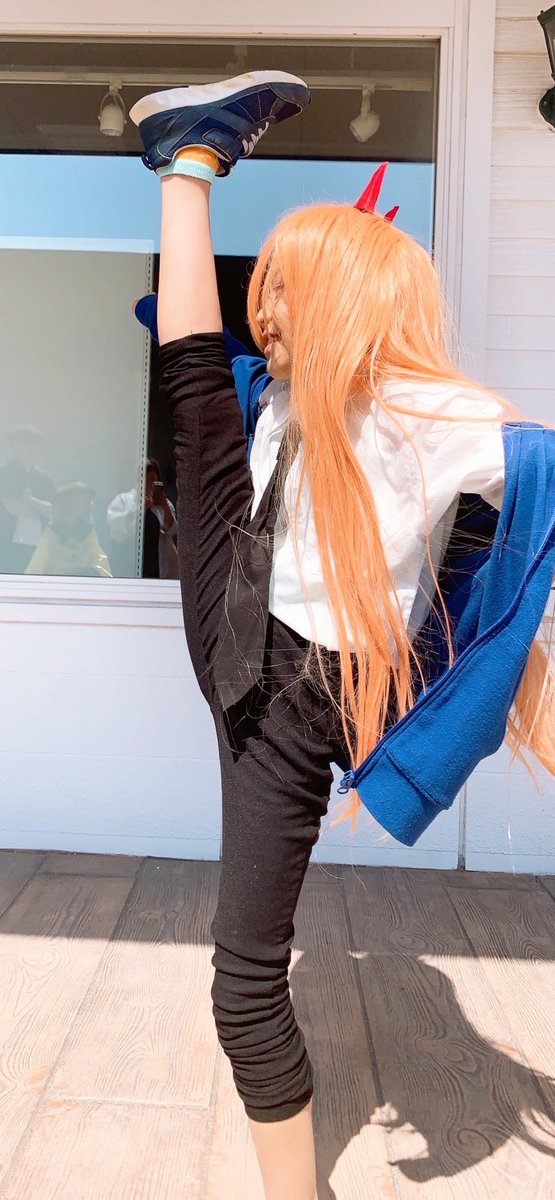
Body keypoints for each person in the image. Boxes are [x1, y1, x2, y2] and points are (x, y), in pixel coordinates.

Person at [129, 71, 555, 1200]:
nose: (264, 311)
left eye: (282, 291)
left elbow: (529, 491)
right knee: (197, 383)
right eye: (259, 291)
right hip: (246, 629)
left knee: (242, 985)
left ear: (349, 299)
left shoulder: (446, 420)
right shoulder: (275, 394)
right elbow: (205, 353)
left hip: (336, 680)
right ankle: (187, 163)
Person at [107, 458, 179, 579]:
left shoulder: (163, 503)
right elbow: (114, 524)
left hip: (158, 567)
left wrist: (164, 506)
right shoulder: (123, 500)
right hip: (130, 565)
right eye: (144, 479)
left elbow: (171, 529)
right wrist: (140, 509)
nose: (148, 484)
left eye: (153, 480)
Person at [26, 481, 112, 577]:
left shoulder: (88, 532)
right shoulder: (52, 532)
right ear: (65, 502)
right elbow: (38, 562)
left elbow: (99, 559)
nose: (85, 503)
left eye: (85, 500)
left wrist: (106, 580)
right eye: (78, 499)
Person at [0, 424, 55, 573]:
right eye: (24, 442)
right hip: (6, 543)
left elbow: (53, 510)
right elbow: (12, 506)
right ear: (13, 445)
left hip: (38, 544)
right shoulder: (4, 474)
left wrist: (28, 500)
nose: (30, 447)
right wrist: (39, 509)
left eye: (34, 443)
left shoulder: (44, 479)